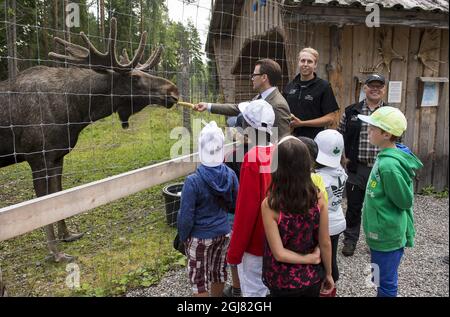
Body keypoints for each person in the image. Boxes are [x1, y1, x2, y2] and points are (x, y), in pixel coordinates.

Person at [358, 106, 423, 297]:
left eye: (372, 129)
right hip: (379, 232)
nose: (368, 132)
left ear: (386, 134)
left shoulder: (389, 165)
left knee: (386, 283)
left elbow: (404, 201)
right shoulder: (384, 156)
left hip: (386, 235)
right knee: (378, 277)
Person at [261, 136, 334, 297]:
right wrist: (328, 273)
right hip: (311, 277)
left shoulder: (270, 204)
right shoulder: (318, 198)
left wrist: (310, 258)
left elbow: (279, 253)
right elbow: (325, 242)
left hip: (280, 279)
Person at [177, 121, 239, 297]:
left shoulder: (193, 181)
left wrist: (183, 237)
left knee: (198, 279)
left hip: (200, 236)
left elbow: (186, 216)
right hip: (223, 232)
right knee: (218, 271)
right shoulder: (230, 174)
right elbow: (235, 204)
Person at [338, 74, 389, 257]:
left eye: (379, 86)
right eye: (371, 86)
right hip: (356, 168)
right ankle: (350, 240)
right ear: (365, 88)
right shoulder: (352, 111)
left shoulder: (390, 113)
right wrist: (342, 157)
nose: (375, 89)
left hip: (381, 169)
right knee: (353, 206)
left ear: (384, 89)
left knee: (378, 206)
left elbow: (399, 139)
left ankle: (376, 241)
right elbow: (340, 135)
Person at [195, 58, 291, 139]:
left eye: (254, 75)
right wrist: (207, 106)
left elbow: (282, 141)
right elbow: (238, 108)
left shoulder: (278, 105)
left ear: (264, 77)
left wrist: (245, 139)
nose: (252, 78)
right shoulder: (260, 97)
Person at [314, 129, 348, 296]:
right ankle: (332, 284)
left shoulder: (320, 176)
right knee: (332, 255)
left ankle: (327, 285)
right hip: (338, 220)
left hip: (325, 224)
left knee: (322, 259)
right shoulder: (341, 168)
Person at [284, 47, 339, 139]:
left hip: (313, 140)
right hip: (290, 138)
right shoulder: (290, 85)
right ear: (298, 62)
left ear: (315, 65)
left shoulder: (323, 86)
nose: (305, 64)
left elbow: (330, 118)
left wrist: (302, 123)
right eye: (302, 61)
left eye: (309, 61)